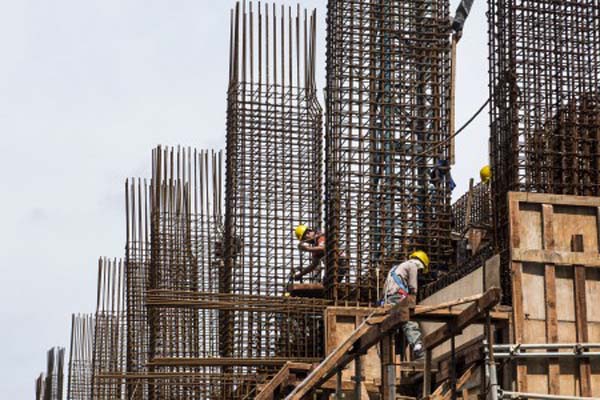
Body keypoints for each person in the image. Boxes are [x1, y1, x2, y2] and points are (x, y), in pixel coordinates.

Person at [383, 250, 429, 360]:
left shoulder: (394, 269)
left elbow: (385, 289)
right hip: (399, 297)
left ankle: (399, 348)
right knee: (409, 321)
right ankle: (419, 348)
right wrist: (412, 303)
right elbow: (413, 286)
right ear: (421, 264)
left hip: (389, 299)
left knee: (398, 323)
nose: (420, 272)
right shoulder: (412, 266)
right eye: (421, 270)